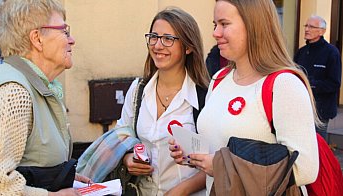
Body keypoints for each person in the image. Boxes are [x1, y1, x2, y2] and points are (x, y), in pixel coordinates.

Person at [169, 0, 320, 194]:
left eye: (224, 24)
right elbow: (219, 148)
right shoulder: (218, 79)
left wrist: (222, 166)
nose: (215, 33)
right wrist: (194, 154)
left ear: (253, 25)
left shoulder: (284, 84)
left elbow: (305, 169)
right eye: (215, 25)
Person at [0, 0, 89, 195]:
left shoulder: (34, 85)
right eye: (64, 31)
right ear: (37, 39)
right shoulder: (14, 93)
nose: (72, 40)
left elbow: (29, 164)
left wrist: (60, 178)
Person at [116, 7, 210, 196]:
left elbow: (216, 160)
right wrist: (127, 159)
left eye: (168, 39)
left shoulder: (205, 96)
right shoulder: (138, 90)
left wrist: (180, 191)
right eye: (154, 37)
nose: (158, 46)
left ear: (188, 47)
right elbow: (121, 135)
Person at [294, 15, 342, 141]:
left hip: (321, 110)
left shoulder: (332, 52)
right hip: (301, 108)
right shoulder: (302, 52)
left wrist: (310, 84)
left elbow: (334, 84)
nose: (307, 29)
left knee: (318, 146)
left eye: (311, 26)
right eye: (306, 26)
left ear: (322, 31)